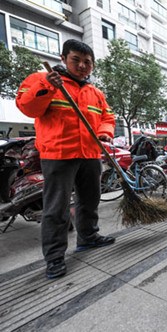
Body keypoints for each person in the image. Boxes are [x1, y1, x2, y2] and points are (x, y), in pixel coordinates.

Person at [16, 39, 116, 279]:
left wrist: (104, 132)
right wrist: (48, 87)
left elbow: (108, 116)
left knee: (90, 200)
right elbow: (27, 107)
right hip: (59, 154)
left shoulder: (95, 92)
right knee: (56, 209)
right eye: (76, 60)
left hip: (90, 153)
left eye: (87, 62)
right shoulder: (42, 80)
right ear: (63, 58)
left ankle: (88, 238)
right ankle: (54, 258)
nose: (82, 66)